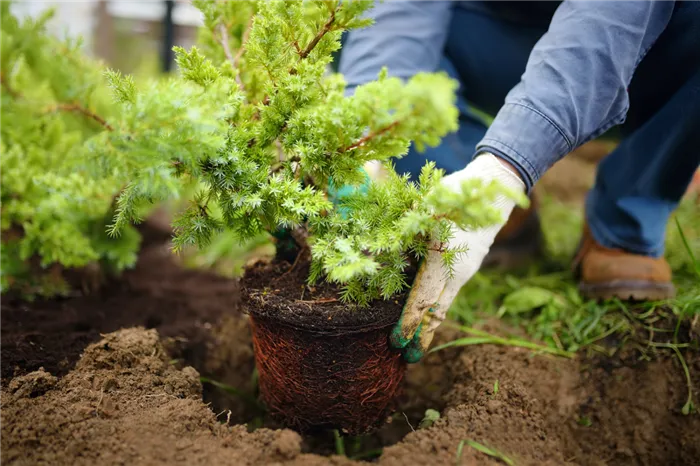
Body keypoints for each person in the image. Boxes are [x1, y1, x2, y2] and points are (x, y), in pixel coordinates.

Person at [337, 0, 700, 363]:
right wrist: (366, 127)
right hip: (496, 31)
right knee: (344, 20)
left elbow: (608, 19)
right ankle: (466, 191)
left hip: (643, 50)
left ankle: (626, 217)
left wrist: (507, 167)